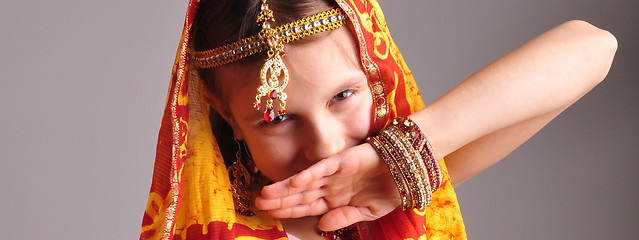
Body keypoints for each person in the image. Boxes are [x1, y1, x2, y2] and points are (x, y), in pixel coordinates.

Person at [139, 0, 617, 239]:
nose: (326, 146)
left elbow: (593, 46)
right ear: (225, 114)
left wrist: (405, 153)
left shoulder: (398, 192)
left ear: (378, 70)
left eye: (344, 95)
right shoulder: (205, 227)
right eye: (277, 117)